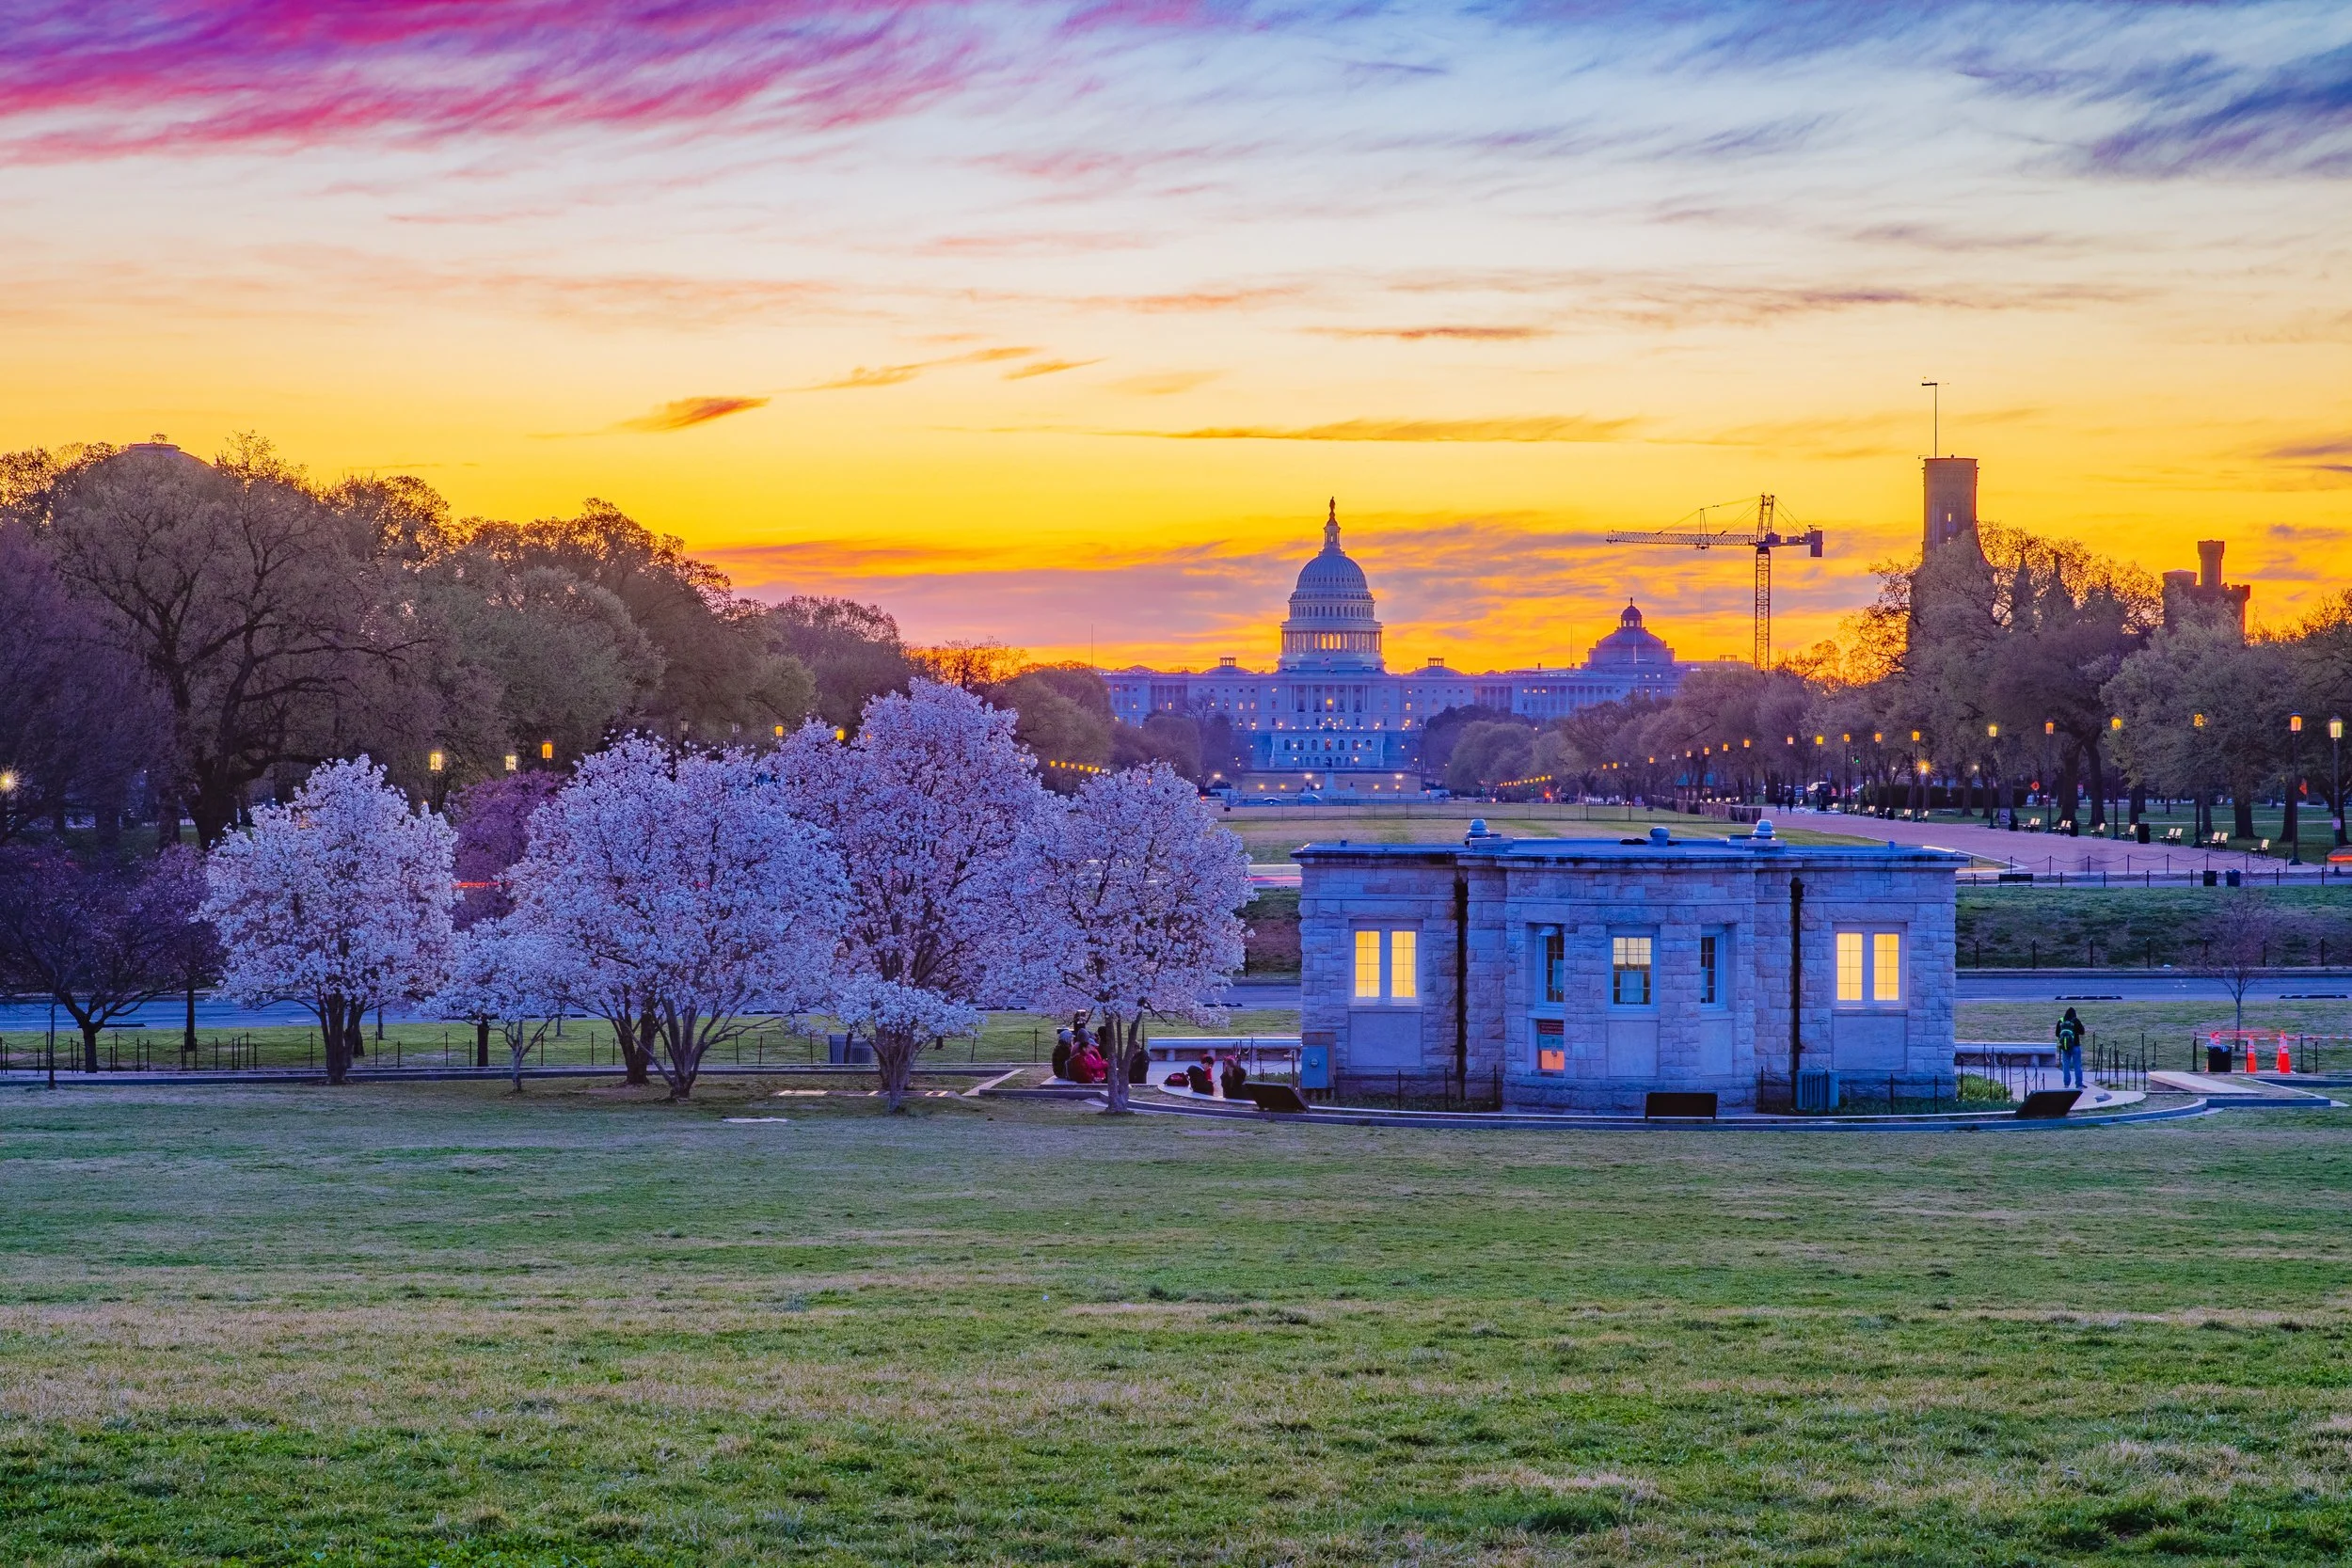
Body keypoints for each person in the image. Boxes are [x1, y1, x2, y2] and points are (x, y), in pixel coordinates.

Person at [2055, 1006, 2085, 1089]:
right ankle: (2079, 1084)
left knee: (2066, 1065)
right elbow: (2082, 1032)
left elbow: (2057, 1034)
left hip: (2065, 1047)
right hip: (2075, 1045)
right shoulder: (2076, 1020)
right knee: (2077, 1065)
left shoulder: (2061, 1021)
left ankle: (2066, 1083)